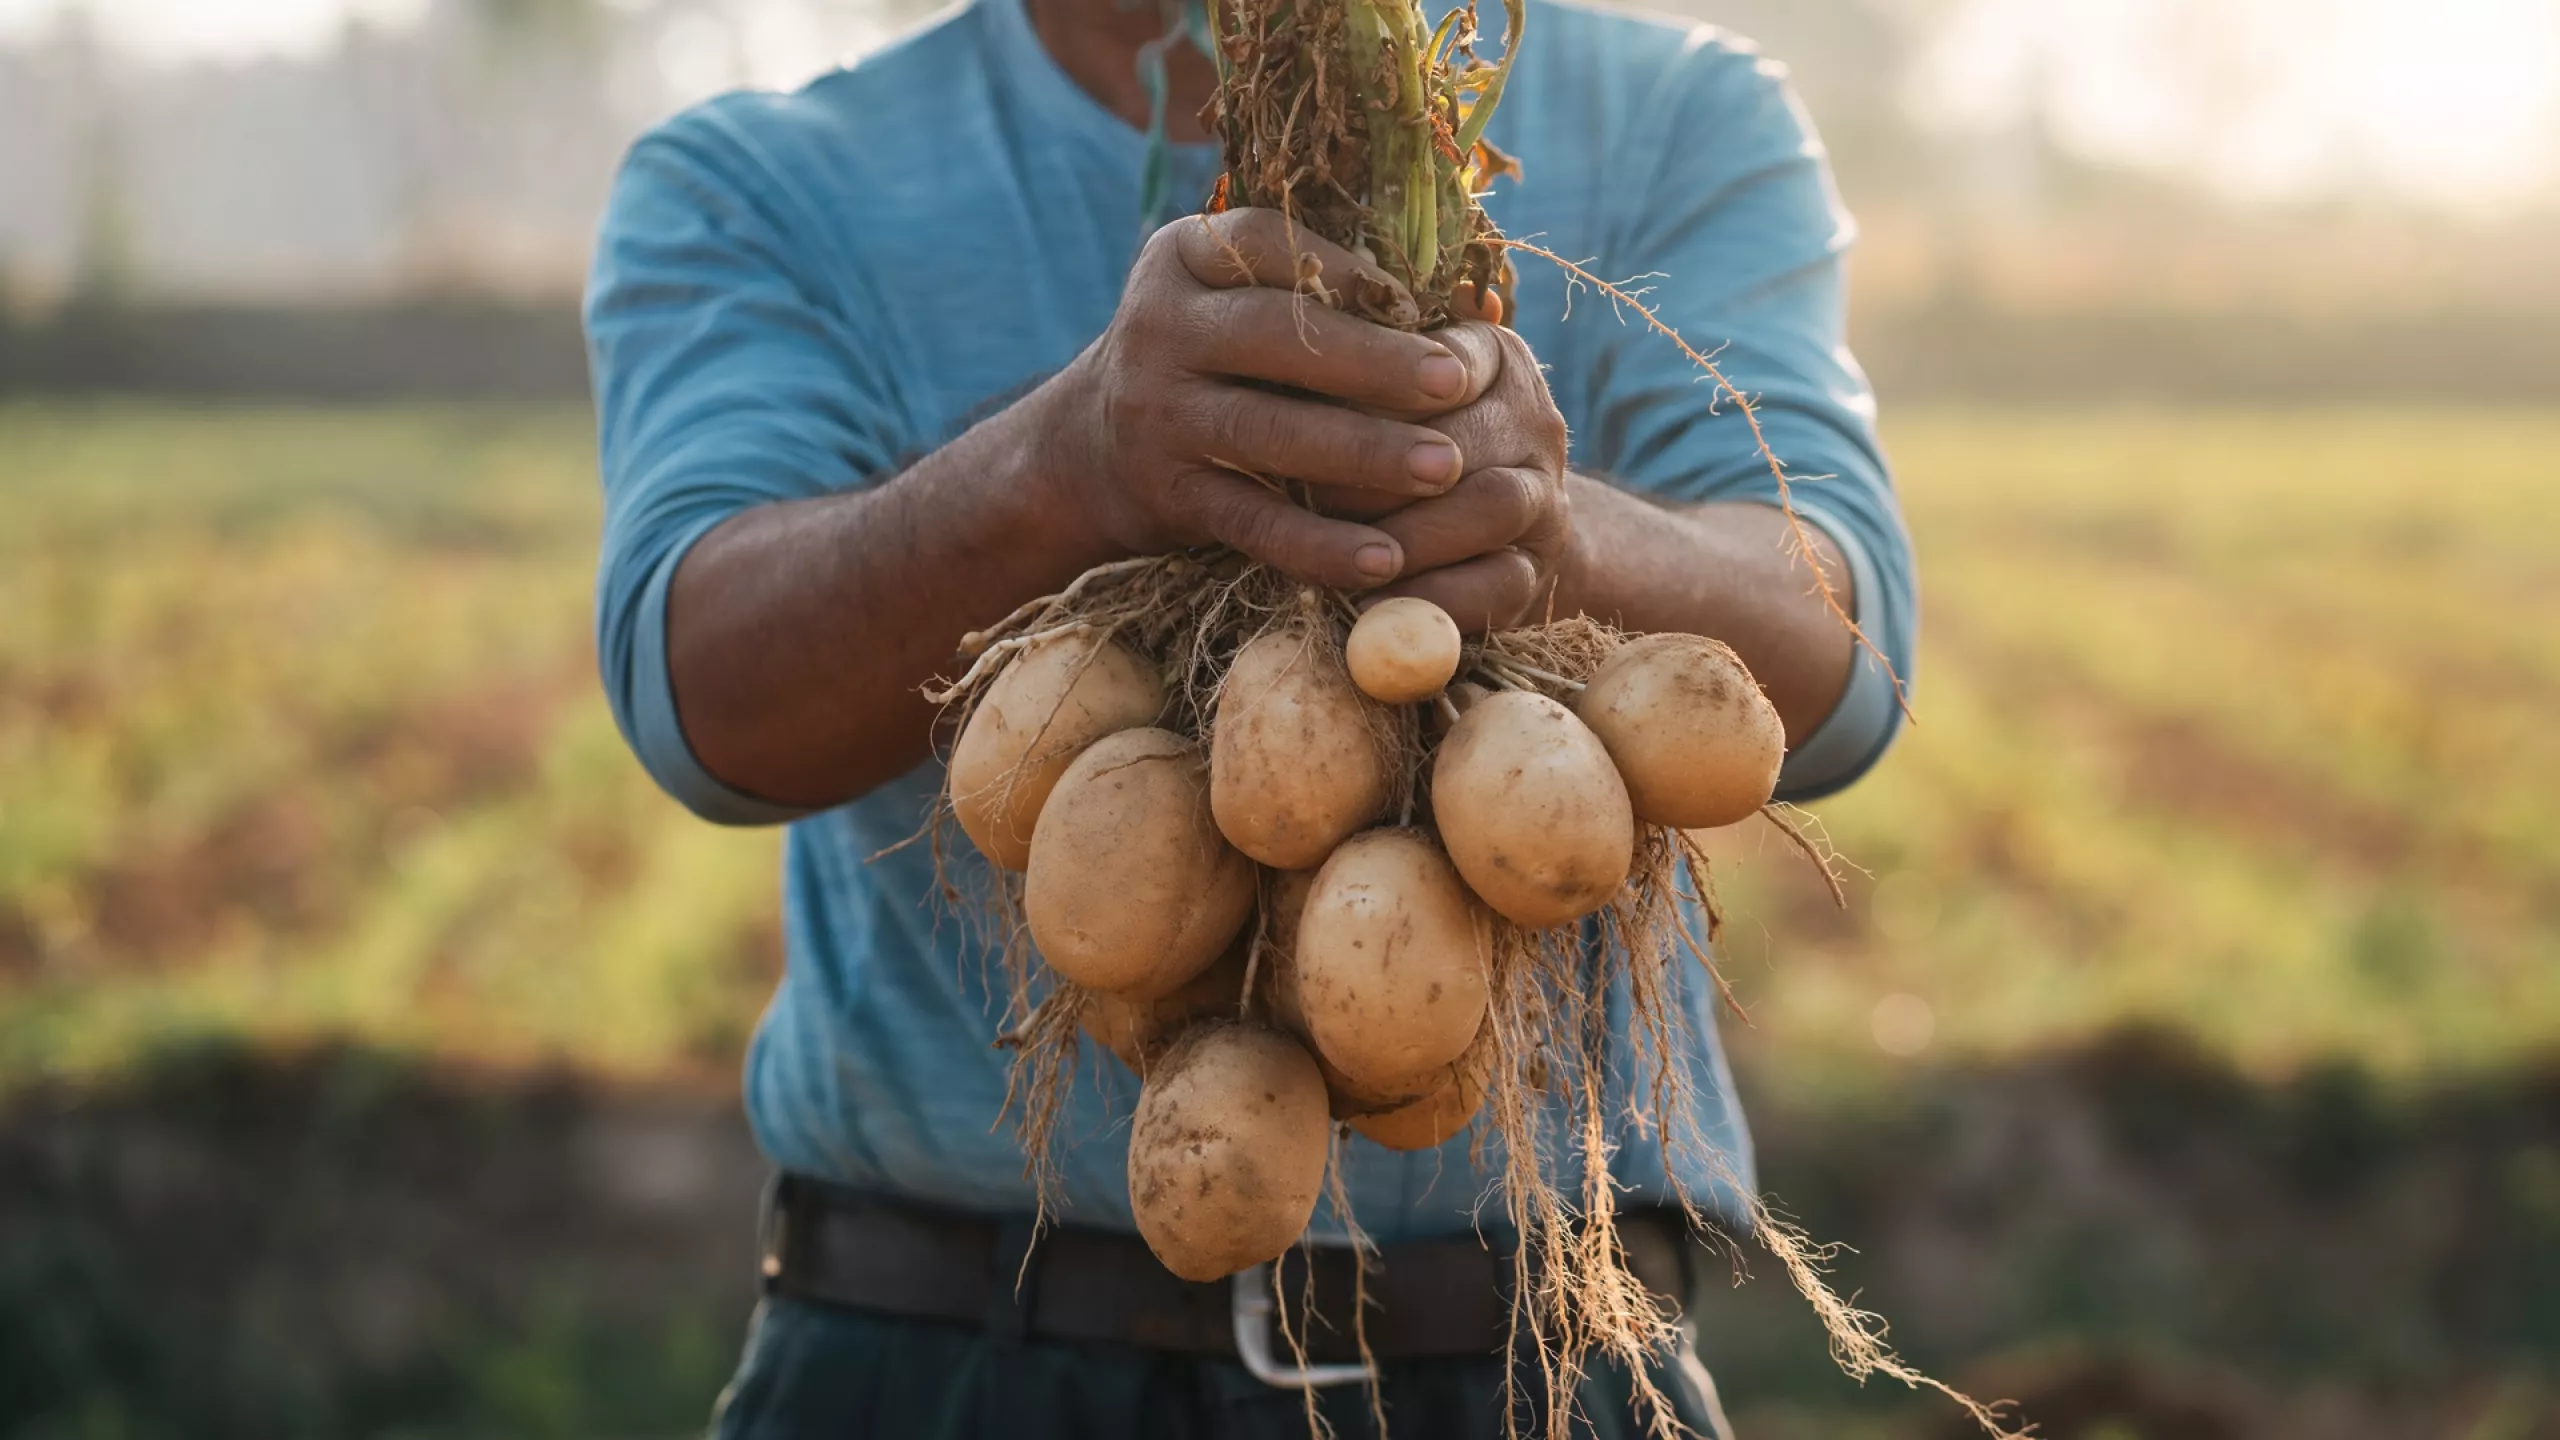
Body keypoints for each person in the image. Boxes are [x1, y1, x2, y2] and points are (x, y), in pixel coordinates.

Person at [584, 0, 1914, 1431]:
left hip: (1542, 1355)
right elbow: (701, 693)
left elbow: (1840, 666)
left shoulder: (1676, 111)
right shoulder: (763, 177)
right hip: (938, 1358)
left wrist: (1534, 523)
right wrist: (1074, 462)